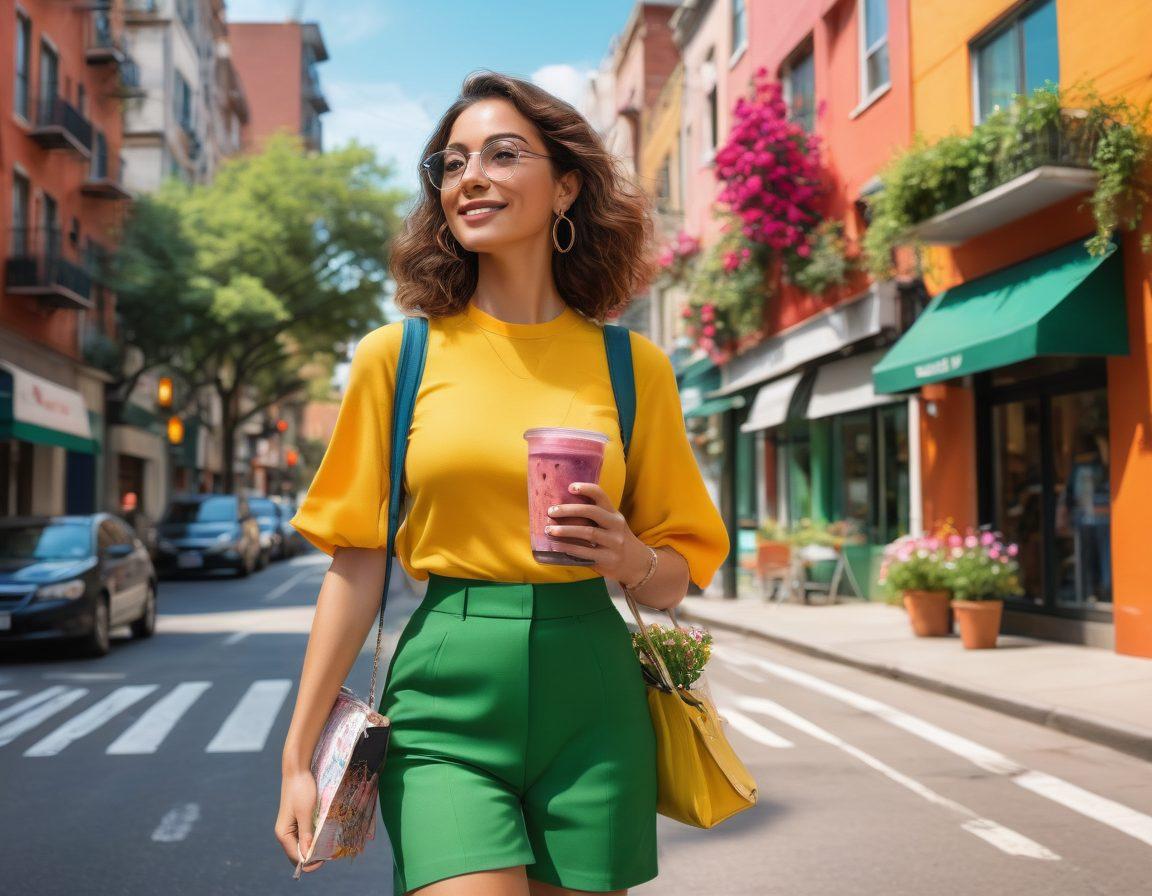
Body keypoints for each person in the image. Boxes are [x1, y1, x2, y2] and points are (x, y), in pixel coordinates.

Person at [274, 71, 729, 896]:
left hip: (595, 695)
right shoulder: (398, 358)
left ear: (566, 188)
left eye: (502, 154)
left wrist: (628, 555)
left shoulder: (635, 368)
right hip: (445, 690)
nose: (470, 176)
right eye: (451, 163)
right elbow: (356, 562)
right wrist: (298, 753)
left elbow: (678, 577)